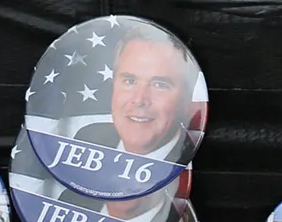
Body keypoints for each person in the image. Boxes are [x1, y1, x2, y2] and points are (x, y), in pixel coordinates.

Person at [73, 23, 203, 160]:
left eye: (160, 84)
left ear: (187, 100)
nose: (139, 99)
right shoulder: (88, 139)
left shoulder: (198, 165)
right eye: (130, 81)